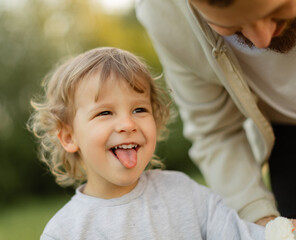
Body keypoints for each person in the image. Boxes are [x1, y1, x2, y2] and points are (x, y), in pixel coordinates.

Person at [27, 47, 275, 239]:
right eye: (105, 113)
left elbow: (239, 235)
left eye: (139, 109)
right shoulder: (65, 232)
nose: (127, 124)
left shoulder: (184, 193)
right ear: (69, 137)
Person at [135, 0, 296, 226]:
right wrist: (260, 222)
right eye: (233, 27)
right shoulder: (163, 11)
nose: (262, 40)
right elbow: (216, 130)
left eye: (276, 12)